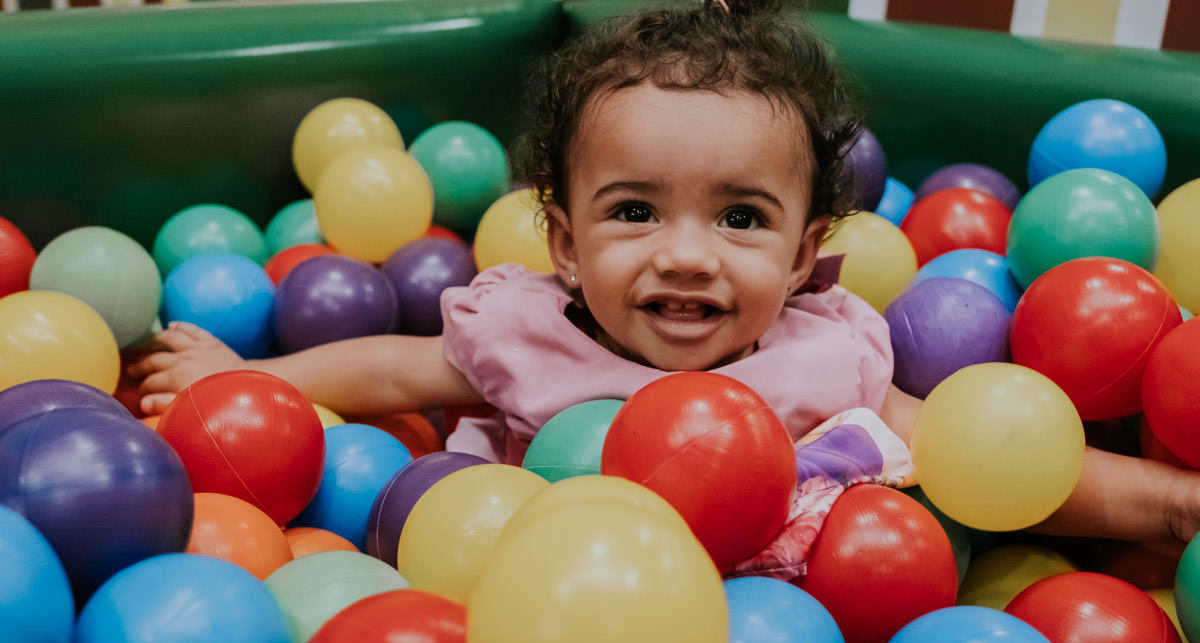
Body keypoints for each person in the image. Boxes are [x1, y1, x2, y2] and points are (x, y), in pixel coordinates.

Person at [129, 0, 1200, 568]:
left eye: (741, 218)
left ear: (803, 256)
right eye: (636, 211)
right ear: (563, 242)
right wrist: (246, 379)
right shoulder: (528, 334)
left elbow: (991, 463)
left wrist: (1163, 503)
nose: (687, 254)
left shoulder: (825, 360)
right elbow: (386, 368)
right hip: (543, 592)